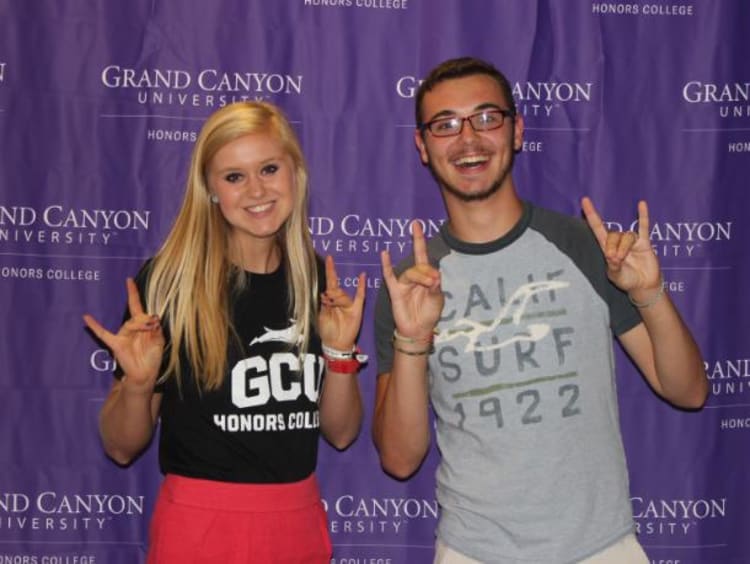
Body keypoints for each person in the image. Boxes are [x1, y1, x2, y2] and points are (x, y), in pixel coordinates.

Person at [372, 57, 708, 564]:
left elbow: (688, 391)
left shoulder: (584, 246)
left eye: (487, 117)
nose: (468, 138)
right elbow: (399, 460)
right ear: (423, 146)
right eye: (445, 125)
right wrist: (413, 340)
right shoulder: (410, 286)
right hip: (473, 551)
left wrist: (650, 294)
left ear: (517, 130)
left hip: (602, 548)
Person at [83, 101, 366, 563]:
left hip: (296, 525)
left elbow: (341, 433)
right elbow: (120, 446)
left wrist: (338, 350)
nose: (256, 190)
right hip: (198, 528)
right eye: (234, 177)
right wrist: (136, 385)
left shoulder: (317, 280)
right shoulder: (170, 283)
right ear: (210, 191)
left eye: (269, 168)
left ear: (296, 172)